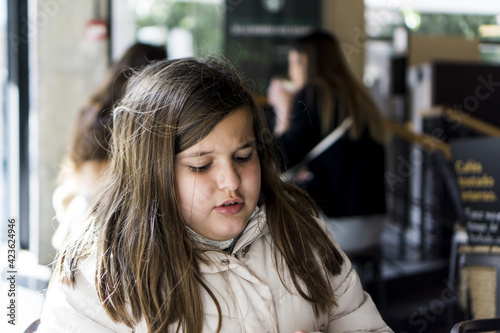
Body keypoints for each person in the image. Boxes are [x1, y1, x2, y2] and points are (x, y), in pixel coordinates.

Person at [38, 58, 392, 332]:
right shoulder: (97, 272)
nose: (231, 183)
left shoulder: (302, 231)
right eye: (201, 166)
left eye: (243, 157)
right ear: (150, 173)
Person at [268, 31, 388, 253]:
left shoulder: (313, 93)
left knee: (270, 205)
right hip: (375, 225)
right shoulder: (358, 96)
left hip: (341, 227)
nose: (290, 71)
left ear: (304, 60)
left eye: (292, 63)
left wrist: (283, 111)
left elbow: (281, 159)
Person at [51, 42, 167, 250]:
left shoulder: (92, 107)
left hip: (85, 207)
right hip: (104, 216)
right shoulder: (128, 115)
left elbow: (75, 164)